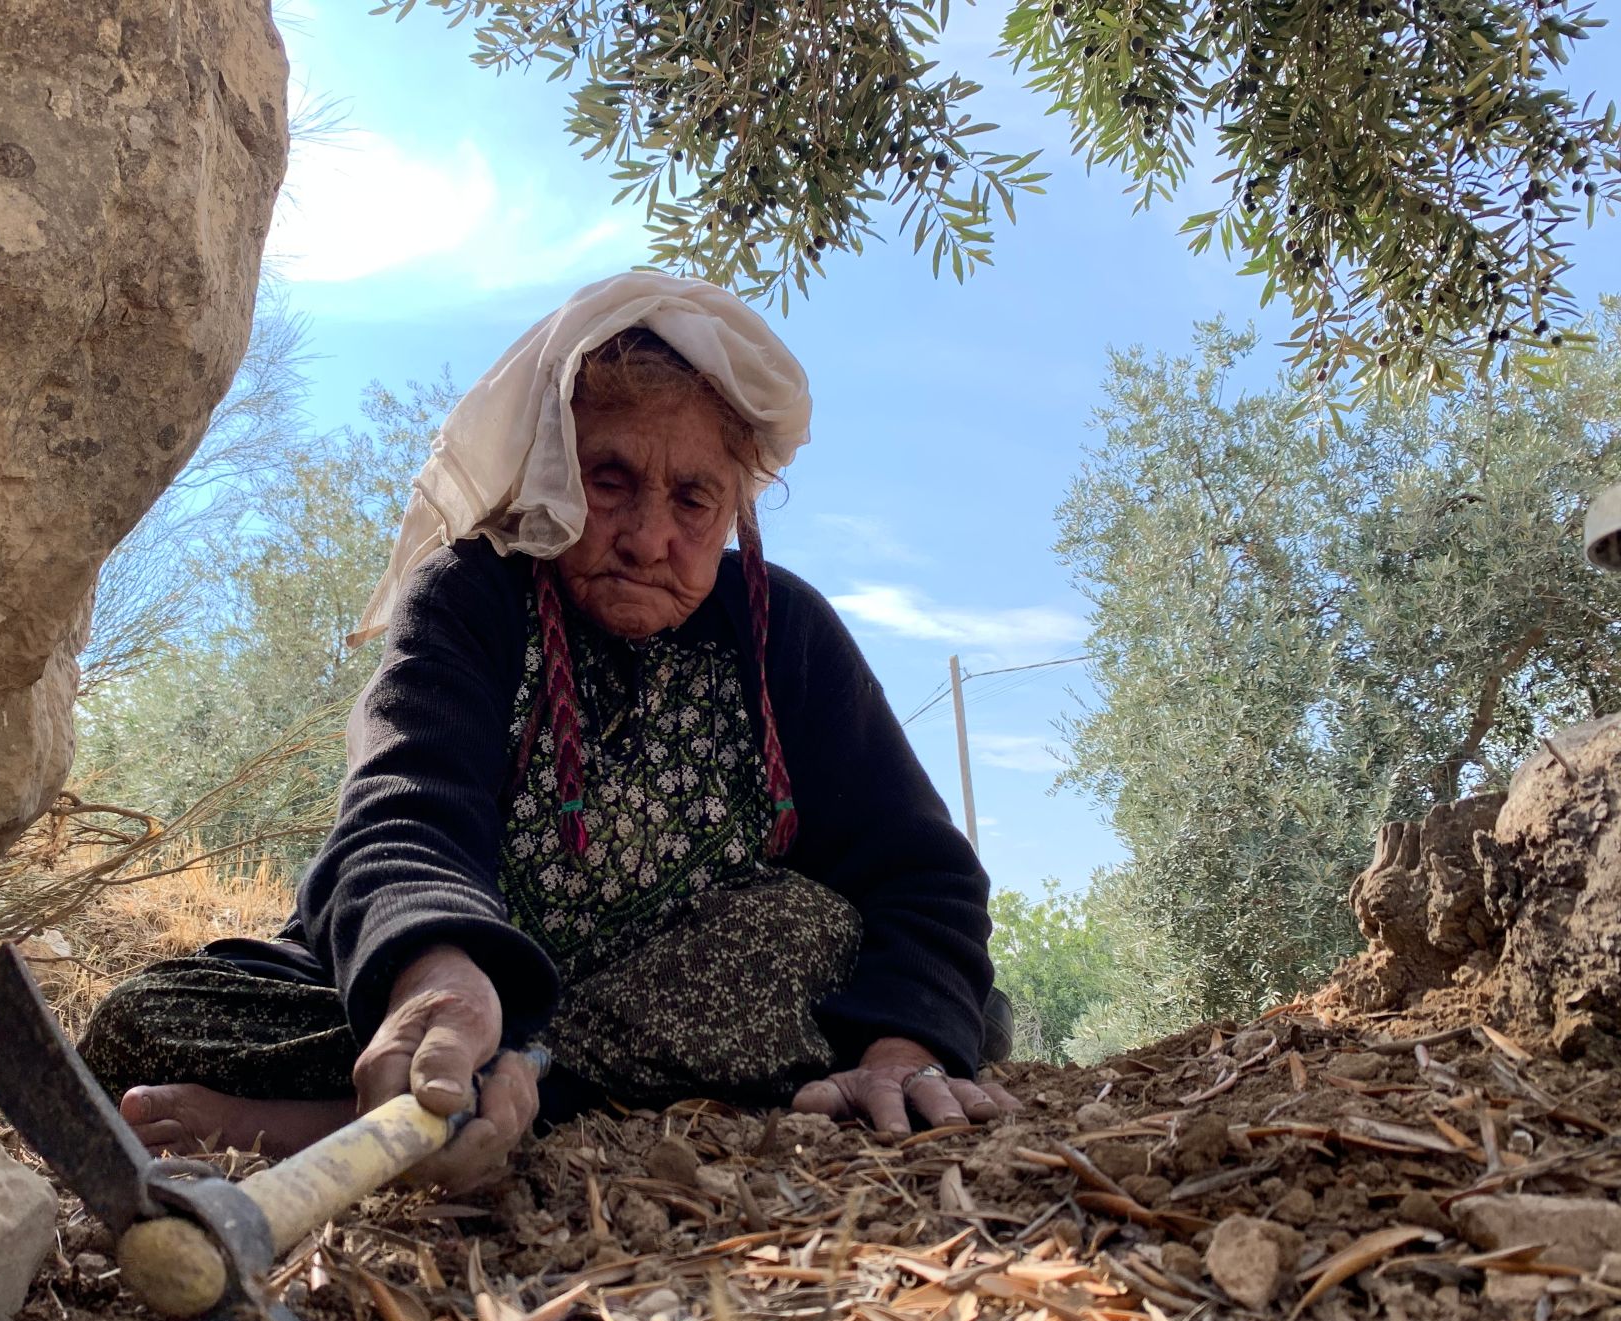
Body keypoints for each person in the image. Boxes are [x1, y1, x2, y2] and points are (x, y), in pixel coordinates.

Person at [79, 271, 1018, 1191]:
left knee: (854, 955)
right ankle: (460, 1082)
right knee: (144, 1020)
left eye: (694, 500)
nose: (652, 536)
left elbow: (921, 871)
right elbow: (402, 816)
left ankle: (447, 1107)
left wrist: (902, 1044)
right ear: (551, 473)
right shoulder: (475, 594)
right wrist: (440, 979)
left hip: (673, 995)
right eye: (609, 481)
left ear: (735, 505)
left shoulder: (784, 631)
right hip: (460, 990)